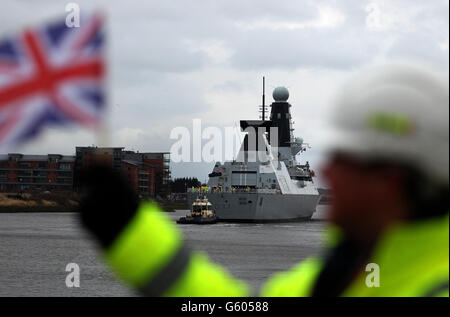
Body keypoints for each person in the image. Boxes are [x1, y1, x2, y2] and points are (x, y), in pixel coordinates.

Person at [78, 63, 448, 297]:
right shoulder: (335, 276)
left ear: (393, 181)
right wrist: (131, 232)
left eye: (344, 161)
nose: (328, 175)